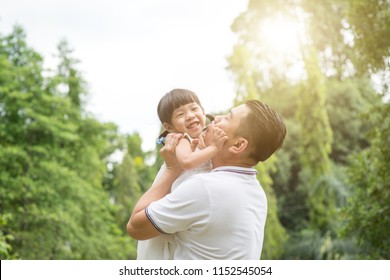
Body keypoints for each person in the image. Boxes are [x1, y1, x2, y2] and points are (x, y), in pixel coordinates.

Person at [128, 99, 286, 259]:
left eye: (227, 118)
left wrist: (171, 169)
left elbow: (135, 228)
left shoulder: (206, 188)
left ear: (237, 145)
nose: (216, 118)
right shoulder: (257, 193)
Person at [137, 88, 227, 259]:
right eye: (180, 114)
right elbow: (187, 162)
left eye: (194, 109)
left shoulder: (207, 133)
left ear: (203, 111)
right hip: (180, 204)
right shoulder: (181, 140)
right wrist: (214, 148)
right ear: (169, 127)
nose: (190, 115)